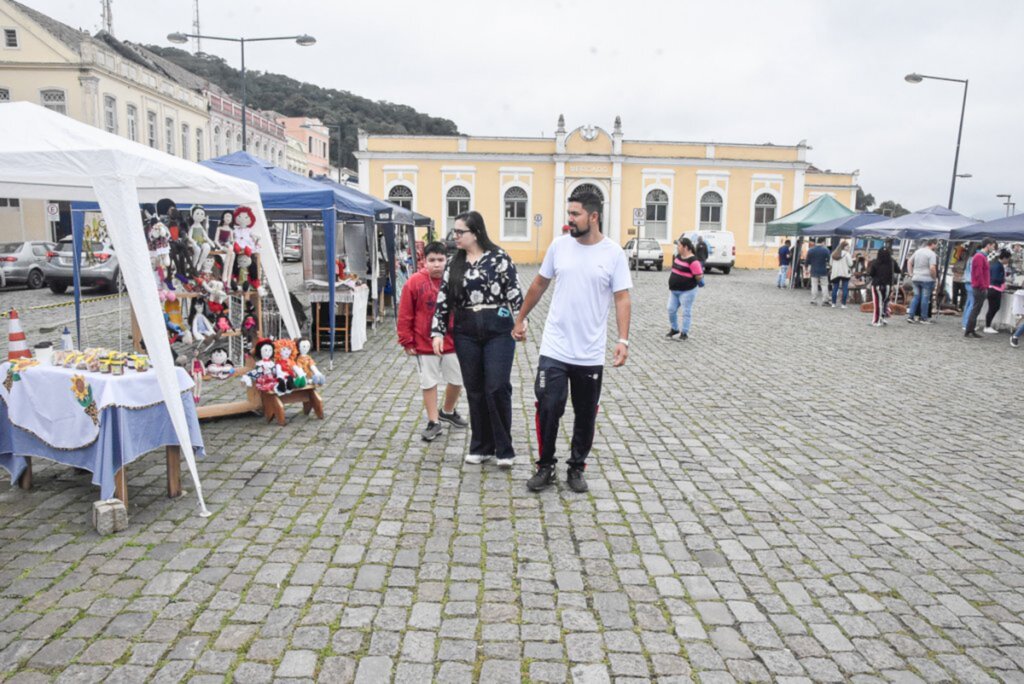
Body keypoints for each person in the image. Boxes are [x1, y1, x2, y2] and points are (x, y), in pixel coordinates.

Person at [512, 191, 632, 494]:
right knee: (549, 405)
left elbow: (622, 297)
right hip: (555, 345)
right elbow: (539, 283)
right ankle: (546, 465)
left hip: (590, 351)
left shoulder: (613, 253)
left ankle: (577, 466)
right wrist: (520, 318)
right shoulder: (559, 246)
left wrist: (623, 339)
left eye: (575, 214)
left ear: (593, 216)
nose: (570, 220)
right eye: (569, 214)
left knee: (585, 411)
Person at [432, 211, 523, 466]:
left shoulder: (499, 258)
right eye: (455, 232)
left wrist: (521, 320)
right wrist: (437, 332)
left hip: (498, 329)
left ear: (476, 233)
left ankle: (504, 449)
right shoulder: (454, 263)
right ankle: (482, 445)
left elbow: (515, 292)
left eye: (460, 232)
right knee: (475, 390)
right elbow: (443, 300)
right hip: (466, 330)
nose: (456, 236)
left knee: (496, 386)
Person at [398, 241, 468, 441]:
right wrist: (407, 341)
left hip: (452, 342)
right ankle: (433, 421)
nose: (436, 264)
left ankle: (447, 410)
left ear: (447, 260)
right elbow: (405, 314)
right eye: (432, 260)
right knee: (429, 382)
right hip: (424, 343)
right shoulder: (413, 282)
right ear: (424, 261)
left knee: (456, 380)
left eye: (440, 260)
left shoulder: (454, 281)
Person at [666, 237, 704, 340]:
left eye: (679, 246)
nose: (677, 247)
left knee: (686, 311)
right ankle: (674, 329)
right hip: (674, 291)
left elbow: (699, 276)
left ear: (686, 247)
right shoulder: (678, 257)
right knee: (671, 309)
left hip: (687, 291)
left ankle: (684, 333)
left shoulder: (693, 261)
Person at [965, 238, 998, 338]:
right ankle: (969, 330)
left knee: (976, 310)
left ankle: (970, 330)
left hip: (980, 287)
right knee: (975, 310)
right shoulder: (980, 257)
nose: (993, 248)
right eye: (992, 245)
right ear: (988, 245)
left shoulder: (981, 256)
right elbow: (978, 274)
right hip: (979, 287)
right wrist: (983, 286)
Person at [906, 238, 938, 324]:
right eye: (936, 244)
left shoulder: (918, 251)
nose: (937, 246)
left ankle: (910, 316)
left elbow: (909, 261)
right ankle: (923, 318)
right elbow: (932, 268)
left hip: (916, 277)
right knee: (925, 298)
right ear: (933, 244)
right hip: (927, 278)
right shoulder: (932, 254)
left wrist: (911, 273)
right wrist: (934, 278)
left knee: (916, 297)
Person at [983, 249, 1012, 334]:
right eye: (1008, 259)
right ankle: (987, 326)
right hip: (995, 289)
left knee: (994, 308)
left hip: (992, 289)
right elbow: (995, 278)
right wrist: (1003, 281)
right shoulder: (998, 266)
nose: (1008, 261)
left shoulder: (995, 264)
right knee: (993, 308)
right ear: (1004, 258)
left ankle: (988, 325)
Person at [867, 247, 896, 326]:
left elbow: (871, 274)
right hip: (888, 285)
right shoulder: (892, 263)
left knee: (877, 304)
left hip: (877, 285)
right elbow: (898, 270)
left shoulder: (875, 263)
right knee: (884, 302)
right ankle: (882, 318)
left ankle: (877, 321)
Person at [805, 238, 831, 305]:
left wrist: (806, 269)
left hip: (814, 270)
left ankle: (814, 300)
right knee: (824, 285)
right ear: (823, 242)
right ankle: (825, 301)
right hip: (823, 270)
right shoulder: (826, 250)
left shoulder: (811, 250)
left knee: (814, 285)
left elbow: (807, 261)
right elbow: (829, 261)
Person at [829, 240, 854, 308]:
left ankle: (833, 303)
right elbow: (850, 264)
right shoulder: (847, 254)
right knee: (845, 289)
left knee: (835, 288)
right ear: (844, 247)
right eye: (847, 247)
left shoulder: (833, 254)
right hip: (845, 273)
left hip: (836, 273)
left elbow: (830, 264)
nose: (848, 248)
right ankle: (843, 304)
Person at [951, 243, 971, 312]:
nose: (963, 255)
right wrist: (959, 270)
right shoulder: (957, 261)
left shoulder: (967, 262)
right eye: (962, 254)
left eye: (964, 254)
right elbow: (953, 269)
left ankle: (961, 306)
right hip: (955, 280)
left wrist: (959, 270)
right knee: (955, 294)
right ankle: (954, 306)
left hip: (963, 280)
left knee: (963, 294)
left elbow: (965, 271)